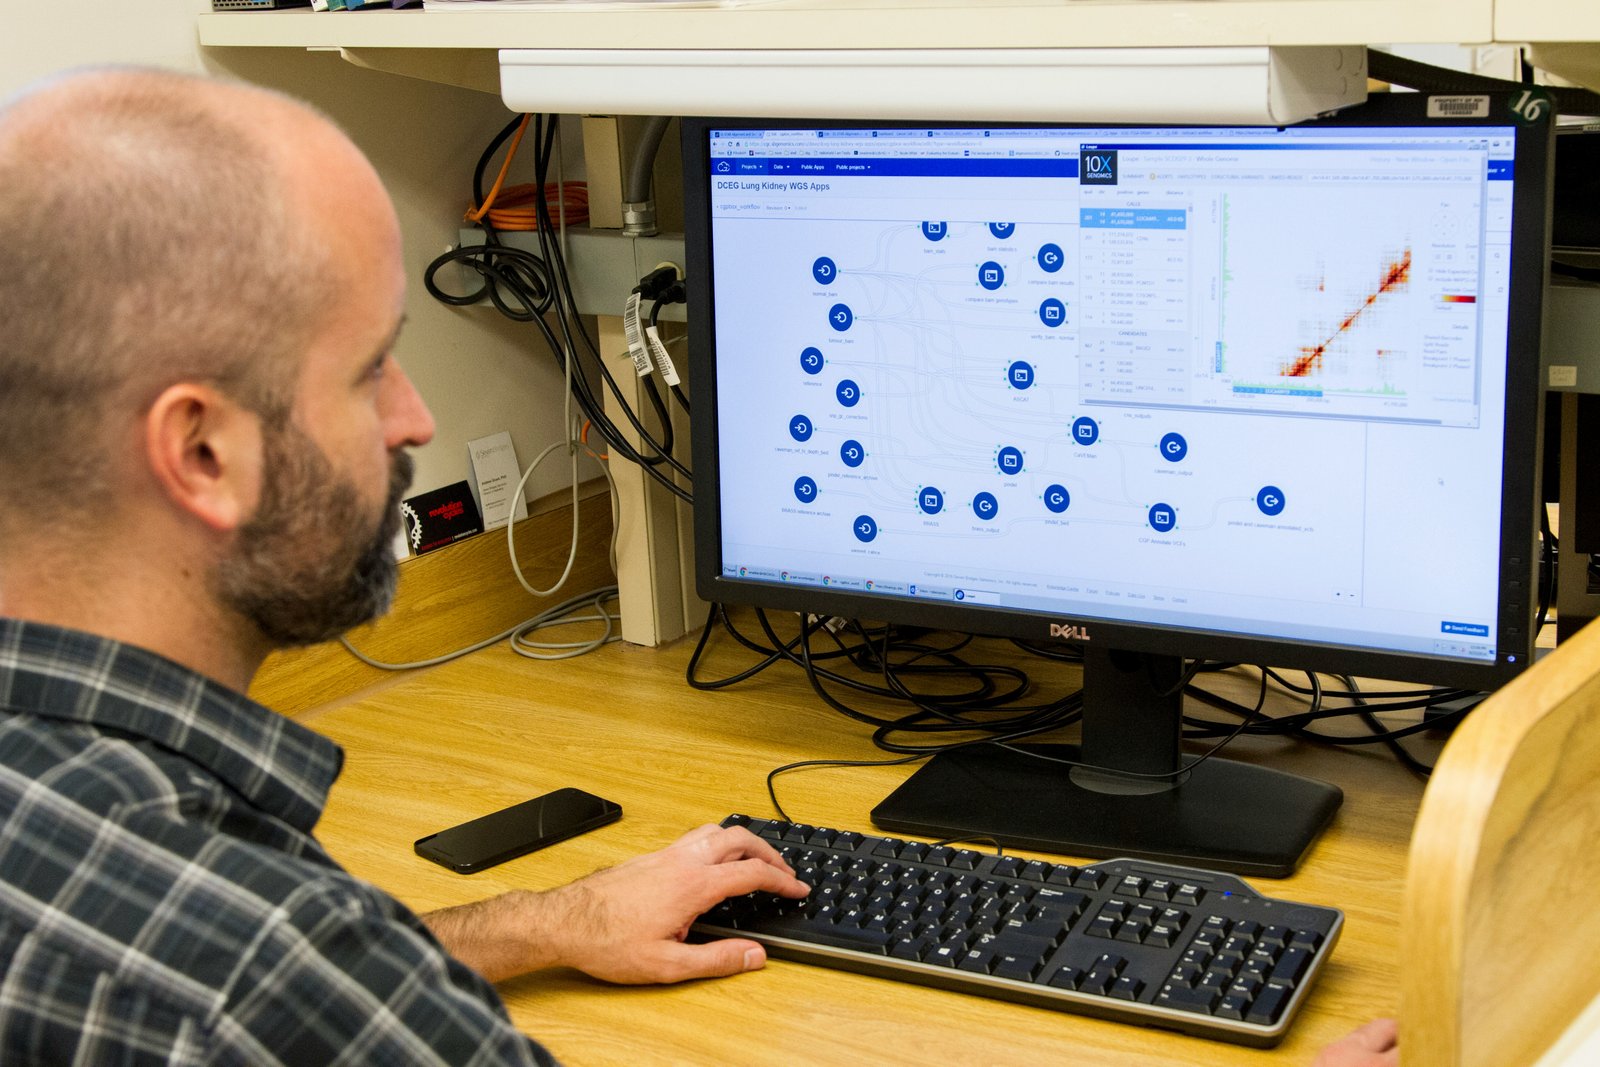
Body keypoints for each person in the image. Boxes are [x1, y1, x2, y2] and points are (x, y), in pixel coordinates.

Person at [0, 65, 1396, 1065]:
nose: (419, 421)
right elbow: (274, 975)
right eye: (369, 372)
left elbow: (267, 964)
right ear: (199, 453)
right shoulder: (263, 973)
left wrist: (546, 921)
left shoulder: (121, 858)